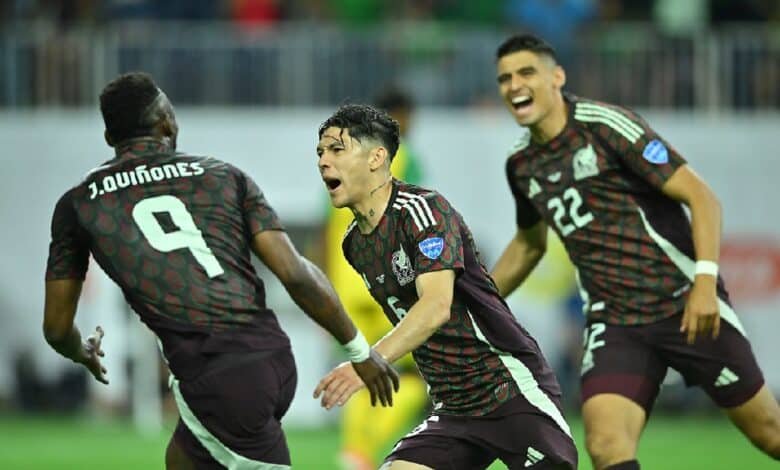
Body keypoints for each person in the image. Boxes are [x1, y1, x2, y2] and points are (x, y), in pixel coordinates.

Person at [42, 72, 399, 470]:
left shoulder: (81, 204)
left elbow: (56, 327)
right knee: (182, 459)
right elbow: (295, 272)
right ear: (166, 122)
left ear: (110, 139)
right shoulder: (223, 176)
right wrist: (358, 349)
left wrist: (82, 350)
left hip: (219, 380)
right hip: (270, 357)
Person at [491, 33, 780, 470]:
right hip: (616, 321)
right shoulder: (521, 165)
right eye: (504, 78)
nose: (514, 85)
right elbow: (530, 244)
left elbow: (702, 198)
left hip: (684, 304)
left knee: (768, 432)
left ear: (557, 77)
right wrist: (476, 301)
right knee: (606, 445)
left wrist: (704, 283)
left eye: (526, 72)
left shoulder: (605, 126)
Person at [312, 104, 577, 470]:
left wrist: (367, 361)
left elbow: (436, 306)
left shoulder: (424, 211)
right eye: (321, 152)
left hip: (508, 389)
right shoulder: (355, 244)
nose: (324, 161)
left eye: (337, 149)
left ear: (376, 158)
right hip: (453, 407)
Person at [322, 88, 428, 470]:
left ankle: (352, 451)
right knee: (416, 374)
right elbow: (417, 218)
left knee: (360, 368)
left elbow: (326, 226)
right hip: (390, 281)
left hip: (347, 285)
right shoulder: (406, 158)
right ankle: (367, 451)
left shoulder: (339, 162)